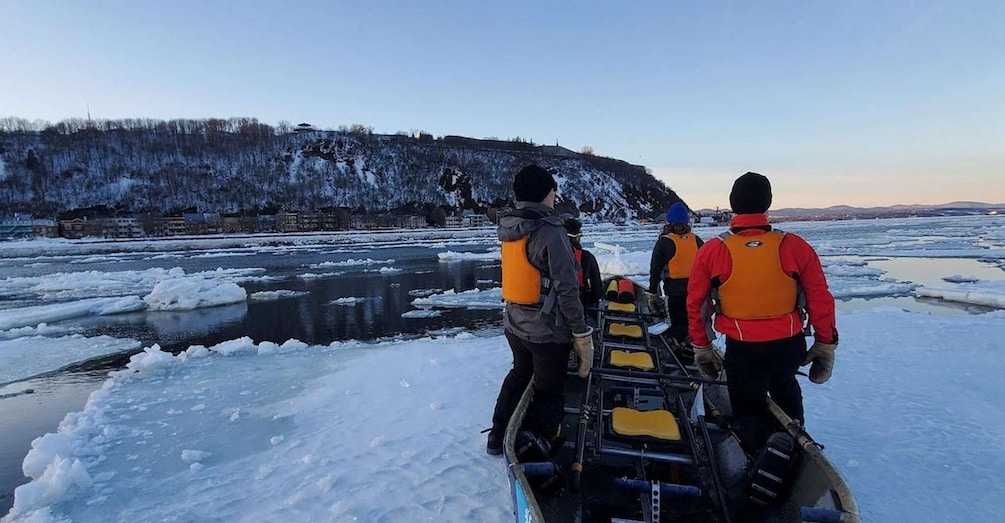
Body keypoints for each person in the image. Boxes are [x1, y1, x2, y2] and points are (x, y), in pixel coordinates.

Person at [686, 172, 838, 451]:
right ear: (767, 203)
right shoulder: (795, 246)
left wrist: (702, 346)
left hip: (742, 349)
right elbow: (820, 298)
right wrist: (825, 342)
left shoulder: (713, 250)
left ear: (733, 204)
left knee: (747, 407)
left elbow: (697, 304)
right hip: (788, 346)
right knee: (786, 389)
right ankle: (793, 448)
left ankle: (754, 453)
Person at [486, 164, 595, 456]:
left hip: (514, 325)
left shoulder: (509, 227)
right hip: (546, 332)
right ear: (544, 194)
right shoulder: (550, 231)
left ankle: (497, 437)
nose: (554, 198)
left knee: (520, 374)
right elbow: (567, 290)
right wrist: (581, 334)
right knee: (548, 392)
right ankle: (536, 452)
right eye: (552, 192)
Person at [649, 202, 704, 345]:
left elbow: (655, 268)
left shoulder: (664, 242)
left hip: (673, 291)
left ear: (669, 222)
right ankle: (694, 346)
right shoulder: (696, 240)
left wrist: (653, 290)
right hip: (694, 290)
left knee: (676, 323)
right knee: (692, 321)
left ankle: (679, 346)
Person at [562, 215, 604, 317]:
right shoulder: (587, 257)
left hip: (555, 302)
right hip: (579, 301)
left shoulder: (550, 254)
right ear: (577, 238)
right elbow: (597, 289)